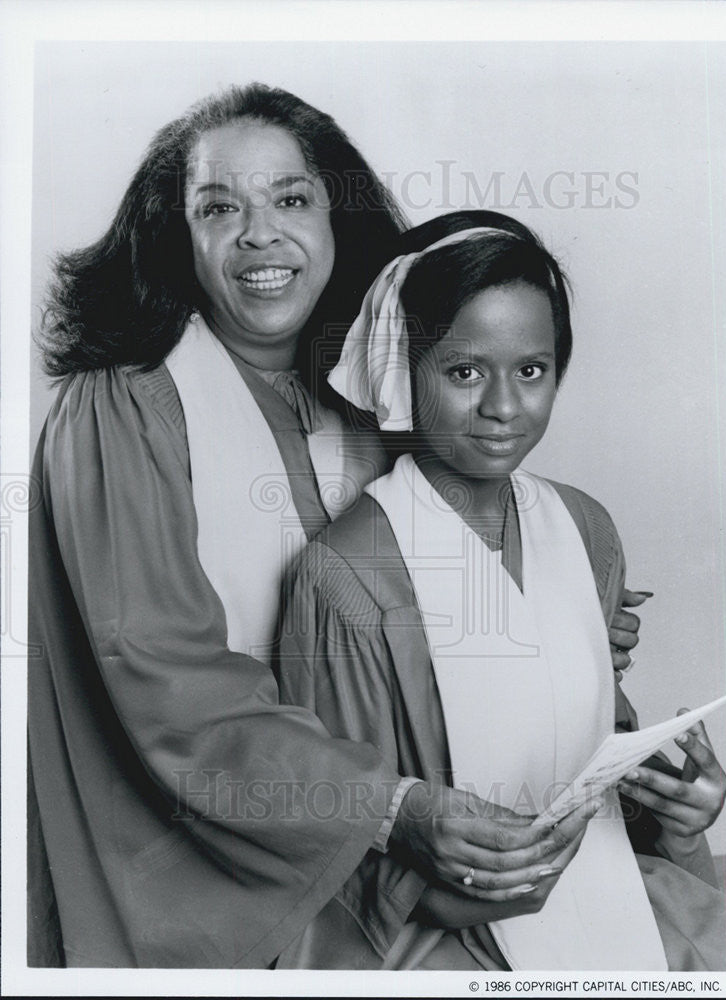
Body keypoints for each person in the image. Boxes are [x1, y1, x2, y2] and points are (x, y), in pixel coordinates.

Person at [28, 85, 643, 969]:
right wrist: (393, 810)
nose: (259, 233)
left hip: (386, 859)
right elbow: (161, 677)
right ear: (178, 235)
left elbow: (416, 618)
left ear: (334, 217)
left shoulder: (372, 391)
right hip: (205, 869)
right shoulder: (124, 403)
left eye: (290, 198)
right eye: (217, 207)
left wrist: (572, 616)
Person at [275, 212, 726, 970]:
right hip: (440, 933)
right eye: (463, 371)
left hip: (607, 887)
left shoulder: (587, 529)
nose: (503, 407)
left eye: (532, 370)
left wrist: (679, 814)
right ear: (403, 367)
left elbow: (593, 759)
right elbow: (335, 828)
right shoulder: (345, 575)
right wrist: (453, 896)